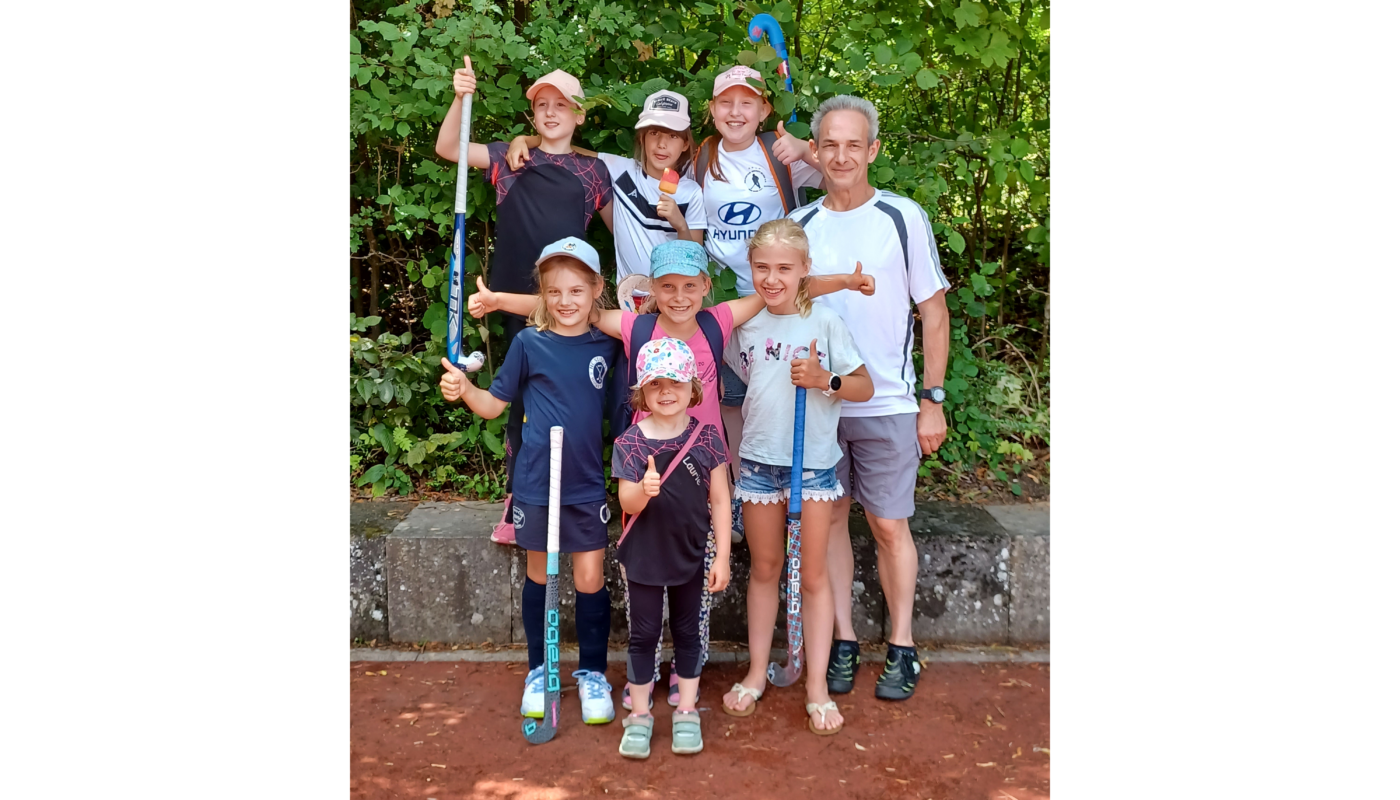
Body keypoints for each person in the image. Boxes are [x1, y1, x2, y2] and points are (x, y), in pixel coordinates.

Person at [466, 239, 873, 711]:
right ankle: (643, 665)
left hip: (699, 466)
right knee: (643, 572)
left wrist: (842, 281)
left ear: (705, 287)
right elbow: (562, 307)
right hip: (645, 466)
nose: (679, 297)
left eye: (689, 286)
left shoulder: (717, 320)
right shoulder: (635, 326)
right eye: (667, 288)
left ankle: (687, 669)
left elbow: (778, 290)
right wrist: (498, 301)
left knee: (693, 576)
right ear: (653, 290)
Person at [782, 95, 952, 702]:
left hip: (887, 405)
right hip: (821, 405)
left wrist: (932, 400)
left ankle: (902, 645)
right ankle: (846, 642)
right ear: (816, 150)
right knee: (829, 531)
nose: (842, 155)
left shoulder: (902, 218)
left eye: (854, 144)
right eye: (830, 143)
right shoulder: (800, 226)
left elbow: (933, 314)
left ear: (873, 150)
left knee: (886, 524)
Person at [438, 237, 620, 727]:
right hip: (538, 483)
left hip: (584, 483)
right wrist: (465, 389)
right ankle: (540, 670)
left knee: (589, 578)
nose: (566, 301)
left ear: (596, 290)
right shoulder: (527, 343)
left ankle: (593, 673)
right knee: (540, 573)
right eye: (555, 291)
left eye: (577, 291)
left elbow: (624, 414)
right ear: (542, 292)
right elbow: (495, 406)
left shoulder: (609, 345)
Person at [434, 57, 615, 544]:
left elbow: (623, 234)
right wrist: (459, 97)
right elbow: (448, 147)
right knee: (521, 402)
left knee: (572, 401)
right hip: (511, 297)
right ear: (532, 113)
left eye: (562, 105)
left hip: (570, 303)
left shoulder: (594, 171)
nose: (551, 113)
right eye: (542, 105)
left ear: (579, 113)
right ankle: (518, 501)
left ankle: (581, 497)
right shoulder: (508, 157)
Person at [718, 219, 874, 736]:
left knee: (811, 576)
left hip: (813, 467)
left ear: (805, 270)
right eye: (762, 267)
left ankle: (815, 688)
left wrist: (824, 380)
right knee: (764, 569)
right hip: (760, 465)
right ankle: (758, 673)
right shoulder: (746, 324)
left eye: (784, 268)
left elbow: (863, 387)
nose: (772, 278)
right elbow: (744, 376)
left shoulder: (825, 322)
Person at [691, 65, 827, 535]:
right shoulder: (701, 156)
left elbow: (842, 178)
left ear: (764, 109)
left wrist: (807, 150)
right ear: (711, 110)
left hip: (778, 300)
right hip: (725, 303)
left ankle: (782, 489)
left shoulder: (779, 151)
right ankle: (734, 491)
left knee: (775, 395)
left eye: (746, 102)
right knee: (729, 400)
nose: (735, 111)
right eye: (725, 102)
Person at [611, 338, 731, 758]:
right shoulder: (630, 443)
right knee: (643, 635)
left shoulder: (708, 437)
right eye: (656, 383)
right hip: (644, 556)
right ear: (641, 392)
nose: (666, 392)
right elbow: (626, 503)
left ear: (693, 388)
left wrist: (722, 557)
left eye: (676, 383)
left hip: (693, 555)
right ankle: (640, 716)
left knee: (687, 633)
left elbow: (720, 499)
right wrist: (644, 490)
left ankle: (686, 710)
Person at [504, 90, 707, 280]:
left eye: (673, 136)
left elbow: (696, 261)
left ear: (686, 144)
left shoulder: (691, 192)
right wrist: (522, 140)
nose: (662, 144)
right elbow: (565, 148)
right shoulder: (620, 170)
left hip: (675, 297)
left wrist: (680, 224)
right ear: (642, 137)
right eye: (654, 133)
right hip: (631, 298)